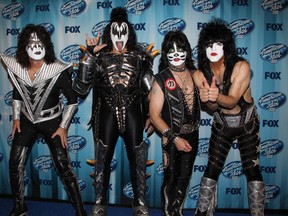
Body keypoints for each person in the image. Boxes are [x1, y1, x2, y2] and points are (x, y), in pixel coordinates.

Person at [72, 7, 158, 216]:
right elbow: (79, 88)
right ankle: (100, 201)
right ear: (109, 32)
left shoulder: (139, 57)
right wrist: (89, 57)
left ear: (129, 31)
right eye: (115, 31)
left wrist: (152, 115)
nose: (119, 36)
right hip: (106, 112)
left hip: (133, 113)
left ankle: (139, 202)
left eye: (123, 31)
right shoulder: (98, 57)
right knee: (102, 158)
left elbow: (152, 90)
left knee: (137, 157)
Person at [0, 24, 86, 216]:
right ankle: (20, 207)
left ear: (46, 45)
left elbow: (72, 101)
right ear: (24, 46)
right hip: (27, 122)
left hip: (53, 123)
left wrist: (63, 127)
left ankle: (80, 210)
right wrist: (15, 118)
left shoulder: (57, 70)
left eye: (40, 42)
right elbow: (17, 93)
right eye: (31, 42)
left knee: (64, 166)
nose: (36, 46)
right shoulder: (19, 69)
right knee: (15, 164)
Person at [192, 18, 265, 216]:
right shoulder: (200, 74)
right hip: (222, 124)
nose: (213, 48)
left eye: (218, 43)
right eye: (208, 44)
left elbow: (232, 100)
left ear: (226, 45)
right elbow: (212, 108)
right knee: (211, 170)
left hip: (247, 123)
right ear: (203, 47)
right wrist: (208, 100)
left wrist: (216, 96)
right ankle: (201, 212)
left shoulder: (241, 66)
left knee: (252, 171)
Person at [149, 30, 200, 216]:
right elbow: (154, 116)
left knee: (185, 178)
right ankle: (169, 213)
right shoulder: (161, 79)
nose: (177, 54)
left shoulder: (196, 75)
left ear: (187, 51)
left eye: (181, 49)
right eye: (172, 50)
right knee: (171, 178)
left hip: (193, 135)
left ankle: (177, 212)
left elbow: (209, 102)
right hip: (171, 137)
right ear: (166, 53)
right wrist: (174, 138)